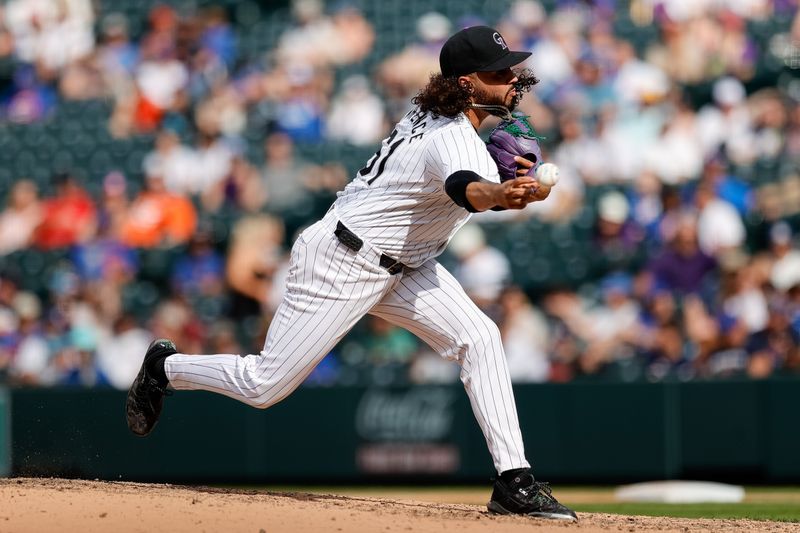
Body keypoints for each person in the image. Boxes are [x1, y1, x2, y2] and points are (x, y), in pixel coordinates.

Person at [126, 26, 577, 522]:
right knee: (264, 386)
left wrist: (502, 183)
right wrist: (499, 194)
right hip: (341, 262)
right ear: (468, 83)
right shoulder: (451, 136)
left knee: (481, 338)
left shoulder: (438, 114)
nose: (513, 77)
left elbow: (465, 173)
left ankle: (513, 481)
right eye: (500, 70)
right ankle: (165, 369)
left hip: (406, 262)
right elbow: (463, 185)